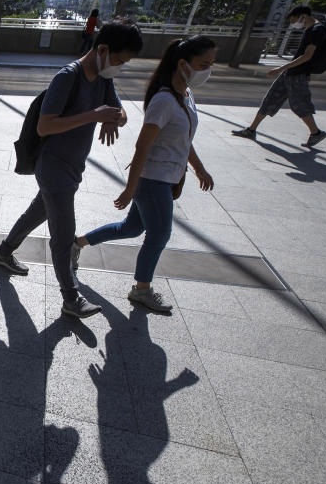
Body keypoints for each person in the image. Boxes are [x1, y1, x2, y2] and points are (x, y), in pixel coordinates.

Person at [0, 20, 144, 319]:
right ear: (102, 49)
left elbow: (121, 114)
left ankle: (4, 252)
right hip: (53, 167)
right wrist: (93, 115)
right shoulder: (67, 77)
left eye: (124, 63)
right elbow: (45, 124)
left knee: (38, 211)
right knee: (64, 235)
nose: (119, 68)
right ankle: (70, 297)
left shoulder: (103, 78)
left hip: (72, 167)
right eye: (118, 60)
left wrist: (114, 118)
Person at [72, 36, 217, 313]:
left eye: (211, 64)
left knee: (132, 228)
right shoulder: (164, 100)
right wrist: (131, 187)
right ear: (183, 64)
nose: (208, 70)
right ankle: (142, 289)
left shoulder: (186, 95)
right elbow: (142, 146)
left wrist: (199, 167)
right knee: (159, 234)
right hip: (153, 180)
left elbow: (184, 138)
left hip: (164, 177)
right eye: (204, 64)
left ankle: (76, 244)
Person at [231, 6, 326, 148]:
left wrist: (281, 68)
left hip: (296, 74)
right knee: (270, 99)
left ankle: (316, 133)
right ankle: (251, 130)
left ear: (303, 16)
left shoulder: (316, 30)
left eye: (294, 20)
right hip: (291, 73)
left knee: (300, 105)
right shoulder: (311, 29)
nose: (293, 23)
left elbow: (308, 55)